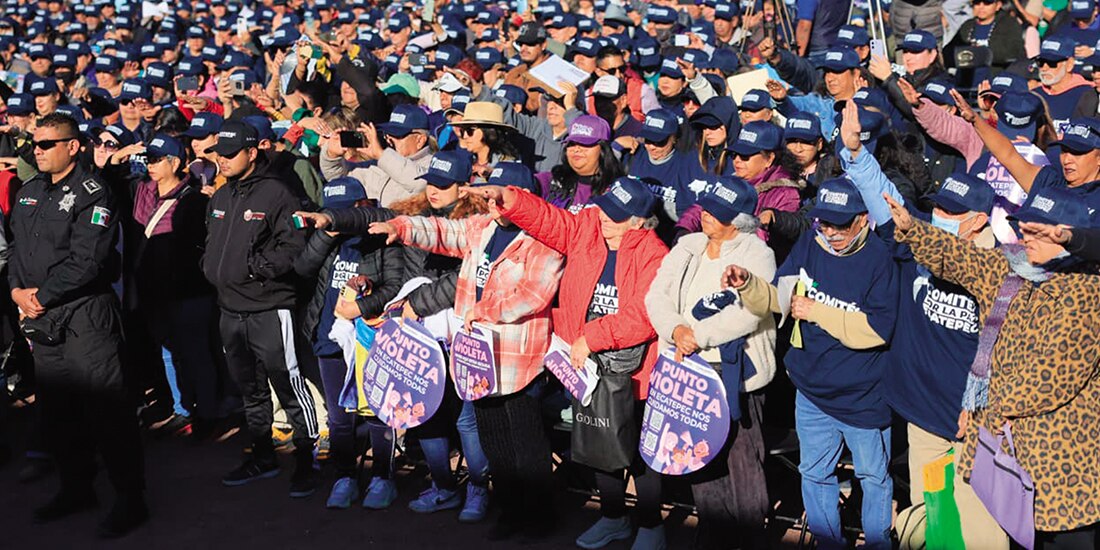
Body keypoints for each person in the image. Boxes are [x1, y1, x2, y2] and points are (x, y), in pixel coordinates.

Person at [885, 186, 1100, 549]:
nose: (1024, 238)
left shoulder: (1086, 294)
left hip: (1060, 463)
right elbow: (960, 257)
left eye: (1036, 232)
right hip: (1007, 449)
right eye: (1023, 229)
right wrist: (913, 228)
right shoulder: (1012, 266)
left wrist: (983, 408)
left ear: (1066, 236)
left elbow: (1049, 378)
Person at [837, 103, 1009, 548]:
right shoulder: (919, 243)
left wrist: (985, 408)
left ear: (976, 222)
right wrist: (855, 155)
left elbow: (1008, 355)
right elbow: (885, 204)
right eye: (937, 209)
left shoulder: (1000, 273)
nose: (938, 218)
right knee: (939, 524)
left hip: (975, 428)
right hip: (922, 416)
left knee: (980, 535)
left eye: (950, 213)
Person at [371, 163, 564, 540]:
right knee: (494, 440)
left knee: (525, 444)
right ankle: (510, 511)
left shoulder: (543, 240)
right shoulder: (484, 227)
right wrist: (402, 227)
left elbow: (533, 294)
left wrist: (481, 310)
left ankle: (539, 516)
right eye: (488, 194)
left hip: (517, 361)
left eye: (498, 195)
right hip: (477, 359)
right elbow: (445, 231)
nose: (490, 201)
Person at [476, 176, 669, 550]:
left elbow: (644, 316)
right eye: (604, 209)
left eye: (616, 214)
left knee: (640, 452)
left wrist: (591, 338)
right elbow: (549, 220)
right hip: (584, 365)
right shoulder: (587, 230)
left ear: (639, 221)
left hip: (634, 370)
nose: (604, 218)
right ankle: (613, 517)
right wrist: (509, 197)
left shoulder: (655, 253)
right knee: (598, 443)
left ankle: (650, 526)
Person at [723, 177, 899, 550]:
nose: (831, 231)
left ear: (863, 220)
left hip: (863, 396)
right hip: (812, 391)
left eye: (840, 224)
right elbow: (780, 297)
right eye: (824, 222)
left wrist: (819, 312)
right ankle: (828, 542)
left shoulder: (880, 259)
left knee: (873, 476)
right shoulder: (811, 242)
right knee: (815, 474)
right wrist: (748, 285)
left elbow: (878, 331)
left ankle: (879, 543)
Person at [9, 113, 146, 537]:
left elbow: (89, 260)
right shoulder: (29, 192)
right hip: (42, 317)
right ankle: (76, 488)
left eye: (48, 143)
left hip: (86, 316)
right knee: (58, 412)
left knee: (108, 412)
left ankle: (130, 499)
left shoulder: (94, 192)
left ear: (73, 146)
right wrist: (16, 291)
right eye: (35, 143)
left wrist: (39, 296)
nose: (38, 150)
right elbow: (16, 249)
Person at [644, 177, 775, 550]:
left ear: (740, 221)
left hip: (736, 374)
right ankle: (713, 535)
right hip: (689, 366)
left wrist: (697, 336)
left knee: (742, 464)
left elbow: (751, 311)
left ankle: (751, 539)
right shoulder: (688, 245)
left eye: (718, 214)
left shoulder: (756, 254)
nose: (706, 217)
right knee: (700, 456)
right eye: (706, 209)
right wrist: (676, 329)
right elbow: (656, 294)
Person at [200, 121, 319, 498]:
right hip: (229, 309)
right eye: (219, 153)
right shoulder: (221, 195)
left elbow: (294, 245)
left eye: (230, 153)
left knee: (289, 387)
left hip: (270, 307)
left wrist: (257, 269)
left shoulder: (278, 192)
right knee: (249, 389)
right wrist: (209, 265)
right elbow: (211, 242)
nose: (222, 159)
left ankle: (307, 462)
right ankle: (263, 456)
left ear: (252, 153)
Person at [293, 177, 407, 510]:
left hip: (370, 340)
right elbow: (302, 268)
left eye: (343, 211)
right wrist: (325, 234)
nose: (337, 217)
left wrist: (364, 300)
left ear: (361, 207)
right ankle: (344, 477)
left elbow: (395, 287)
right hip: (329, 336)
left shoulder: (381, 236)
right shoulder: (329, 237)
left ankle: (383, 479)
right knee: (339, 416)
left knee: (377, 413)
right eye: (332, 211)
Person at [130, 134, 239, 440]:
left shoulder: (193, 201)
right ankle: (183, 409)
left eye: (156, 159)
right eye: (148, 159)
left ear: (174, 163)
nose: (149, 165)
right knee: (167, 354)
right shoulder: (140, 191)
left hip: (188, 292)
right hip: (152, 292)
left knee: (196, 353)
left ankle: (207, 413)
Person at [319, 104, 432, 208]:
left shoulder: (433, 164)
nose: (390, 139)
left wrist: (381, 154)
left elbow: (421, 183)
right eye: (388, 134)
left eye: (398, 135)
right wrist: (332, 155)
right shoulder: (379, 165)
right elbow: (339, 178)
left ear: (420, 140)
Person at [543, 114, 625, 211]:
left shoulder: (617, 190)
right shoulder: (553, 179)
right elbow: (527, 180)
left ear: (603, 149)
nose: (577, 149)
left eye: (585, 143)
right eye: (572, 144)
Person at [1031, 37, 1099, 131]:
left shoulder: (1088, 94)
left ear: (1069, 64)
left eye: (1052, 63)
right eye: (1040, 62)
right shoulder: (1033, 95)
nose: (1044, 68)